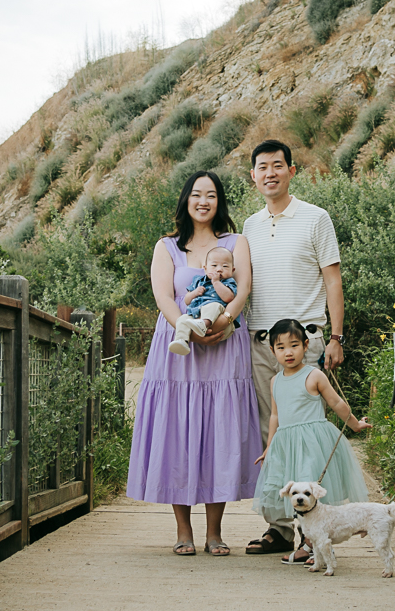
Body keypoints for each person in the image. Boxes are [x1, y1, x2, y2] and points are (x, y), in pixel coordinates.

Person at [126, 171, 261, 556]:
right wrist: (190, 331)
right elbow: (164, 297)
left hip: (224, 347)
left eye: (212, 195)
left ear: (220, 202)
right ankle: (183, 530)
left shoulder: (237, 242)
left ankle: (215, 532)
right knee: (178, 431)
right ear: (186, 199)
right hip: (178, 349)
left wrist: (222, 323)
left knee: (219, 431)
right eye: (197, 194)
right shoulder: (167, 246)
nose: (204, 201)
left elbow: (244, 289)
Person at [243, 138, 346, 557]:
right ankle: (282, 529)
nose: (270, 173)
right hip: (262, 344)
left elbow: (333, 278)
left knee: (305, 438)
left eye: (278, 166)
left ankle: (312, 534)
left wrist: (336, 336)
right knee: (275, 437)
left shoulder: (315, 218)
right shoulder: (248, 226)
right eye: (262, 167)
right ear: (253, 176)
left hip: (306, 343)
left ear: (291, 171)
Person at [252, 319, 370, 561]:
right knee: (293, 496)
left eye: (294, 345)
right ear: (272, 350)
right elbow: (275, 415)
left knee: (310, 493)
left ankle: (310, 545)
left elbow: (336, 402)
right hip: (286, 446)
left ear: (306, 345)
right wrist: (269, 447)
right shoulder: (275, 381)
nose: (288, 352)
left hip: (312, 444)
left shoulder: (314, 375)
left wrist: (355, 424)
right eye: (281, 347)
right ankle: (311, 544)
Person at [169, 246, 239, 355]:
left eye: (225, 266)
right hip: (196, 315)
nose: (219, 269)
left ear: (232, 270)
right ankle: (181, 340)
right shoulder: (198, 281)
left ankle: (204, 324)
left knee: (213, 305)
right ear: (205, 268)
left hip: (219, 320)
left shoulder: (228, 282)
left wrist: (216, 282)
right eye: (214, 265)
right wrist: (194, 293)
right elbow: (187, 300)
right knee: (182, 319)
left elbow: (228, 297)